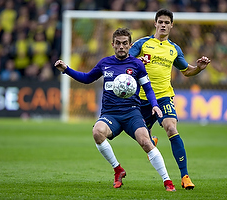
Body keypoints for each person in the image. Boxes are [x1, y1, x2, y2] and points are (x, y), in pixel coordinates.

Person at [54, 28, 176, 191]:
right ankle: (118, 169)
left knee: (146, 141)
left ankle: (167, 181)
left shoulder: (137, 64)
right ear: (112, 44)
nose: (121, 46)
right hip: (111, 114)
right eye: (117, 43)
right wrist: (66, 69)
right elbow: (87, 78)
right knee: (97, 132)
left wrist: (154, 104)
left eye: (125, 43)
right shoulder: (105, 63)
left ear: (130, 45)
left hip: (132, 112)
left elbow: (147, 88)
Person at [129, 8, 211, 190]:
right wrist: (136, 62)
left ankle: (185, 177)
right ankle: (151, 139)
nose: (164, 25)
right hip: (140, 98)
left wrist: (199, 68)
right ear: (155, 23)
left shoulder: (174, 49)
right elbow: (125, 61)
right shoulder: (142, 44)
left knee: (171, 127)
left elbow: (187, 71)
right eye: (161, 22)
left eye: (167, 23)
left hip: (164, 97)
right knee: (141, 138)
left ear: (172, 26)